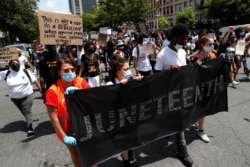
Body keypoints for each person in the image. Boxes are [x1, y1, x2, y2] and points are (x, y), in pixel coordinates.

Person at [45, 56, 98, 167]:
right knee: (75, 153)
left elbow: (93, 99)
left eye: (72, 69)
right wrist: (65, 137)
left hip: (85, 125)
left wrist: (80, 94)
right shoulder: (52, 91)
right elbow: (54, 118)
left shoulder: (81, 82)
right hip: (68, 129)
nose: (70, 72)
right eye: (66, 70)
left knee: (91, 151)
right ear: (59, 72)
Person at [154, 23, 193, 167]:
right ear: (173, 38)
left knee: (179, 119)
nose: (185, 42)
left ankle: (173, 138)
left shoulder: (182, 51)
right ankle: (182, 149)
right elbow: (156, 74)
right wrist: (169, 71)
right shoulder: (162, 54)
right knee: (178, 120)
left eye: (186, 39)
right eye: (182, 39)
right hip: (169, 94)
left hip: (183, 91)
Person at [109, 57, 143, 167]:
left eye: (129, 68)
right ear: (118, 71)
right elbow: (108, 102)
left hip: (131, 114)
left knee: (132, 135)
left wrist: (138, 82)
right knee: (123, 139)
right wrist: (120, 87)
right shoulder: (110, 84)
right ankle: (126, 161)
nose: (129, 71)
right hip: (119, 118)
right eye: (126, 69)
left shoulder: (131, 79)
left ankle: (130, 150)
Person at [0, 59, 42, 137]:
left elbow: (35, 81)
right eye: (13, 64)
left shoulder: (26, 72)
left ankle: (30, 128)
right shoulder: (6, 73)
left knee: (26, 110)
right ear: (9, 65)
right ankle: (28, 119)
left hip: (27, 94)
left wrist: (40, 89)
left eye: (17, 63)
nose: (16, 65)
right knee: (23, 110)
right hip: (14, 98)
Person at [191, 34, 217, 143]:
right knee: (200, 108)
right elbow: (192, 71)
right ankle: (201, 130)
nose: (212, 46)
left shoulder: (213, 55)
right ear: (202, 45)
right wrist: (198, 62)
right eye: (209, 44)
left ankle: (198, 124)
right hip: (198, 86)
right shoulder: (196, 56)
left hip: (209, 85)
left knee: (202, 108)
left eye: (213, 44)